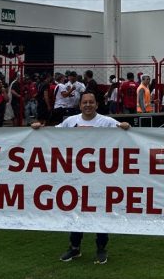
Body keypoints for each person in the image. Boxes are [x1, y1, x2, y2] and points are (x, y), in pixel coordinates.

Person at [32, 92, 130, 264]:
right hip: (76, 176)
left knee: (100, 210)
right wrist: (39, 128)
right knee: (77, 211)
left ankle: (101, 248)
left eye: (91, 102)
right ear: (80, 105)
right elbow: (52, 134)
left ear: (97, 105)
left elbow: (124, 131)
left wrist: (125, 126)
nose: (88, 105)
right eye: (85, 102)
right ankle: (74, 248)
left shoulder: (106, 121)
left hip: (99, 176)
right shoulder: (71, 121)